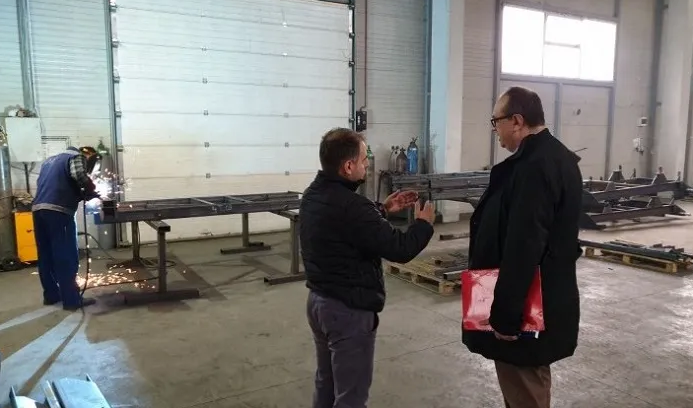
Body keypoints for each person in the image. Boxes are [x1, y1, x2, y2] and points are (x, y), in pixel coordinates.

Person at [462, 86, 583, 408]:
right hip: (540, 296)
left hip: (529, 305)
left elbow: (524, 246)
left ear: (516, 121)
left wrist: (505, 316)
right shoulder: (552, 158)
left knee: (525, 385)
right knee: (524, 383)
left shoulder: (534, 167)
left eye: (496, 122)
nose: (495, 130)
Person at [300, 127, 436, 408]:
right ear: (348, 166)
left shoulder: (313, 194)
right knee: (351, 397)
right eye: (364, 160)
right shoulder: (354, 207)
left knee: (327, 383)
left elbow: (345, 224)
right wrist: (423, 224)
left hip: (319, 302)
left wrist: (382, 209)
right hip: (348, 310)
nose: (367, 166)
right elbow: (399, 249)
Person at [32, 146, 101, 311]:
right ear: (87, 155)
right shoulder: (76, 156)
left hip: (38, 210)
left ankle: (51, 295)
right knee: (65, 255)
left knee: (46, 255)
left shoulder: (49, 162)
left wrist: (80, 194)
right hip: (58, 212)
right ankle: (71, 300)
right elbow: (79, 176)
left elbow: (55, 184)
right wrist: (91, 188)